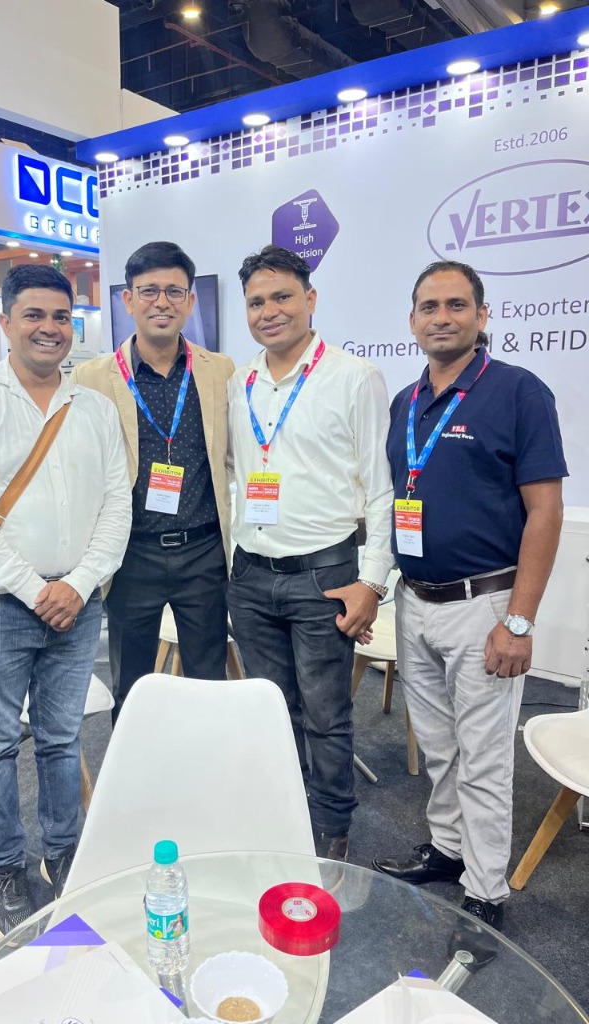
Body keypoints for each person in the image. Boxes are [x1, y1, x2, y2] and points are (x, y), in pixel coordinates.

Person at [0, 265, 131, 939]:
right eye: (35, 315)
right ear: (5, 322)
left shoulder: (94, 408)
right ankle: (8, 868)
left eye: (61, 317)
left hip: (77, 604)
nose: (50, 328)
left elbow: (117, 505)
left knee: (61, 739)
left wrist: (79, 584)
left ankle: (63, 851)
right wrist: (33, 588)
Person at [373, 260, 567, 938]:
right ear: (412, 320)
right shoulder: (406, 402)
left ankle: (485, 894)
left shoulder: (518, 391)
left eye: (457, 305)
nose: (442, 317)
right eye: (429, 306)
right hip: (416, 602)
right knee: (439, 747)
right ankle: (448, 849)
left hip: (484, 606)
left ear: (482, 316)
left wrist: (519, 620)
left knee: (483, 759)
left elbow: (545, 510)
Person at [228, 245, 393, 862]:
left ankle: (330, 828)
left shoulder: (354, 377)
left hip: (324, 575)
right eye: (256, 302)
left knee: (326, 714)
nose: (269, 311)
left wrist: (371, 582)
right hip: (250, 576)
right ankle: (283, 812)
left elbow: (382, 490)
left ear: (311, 299)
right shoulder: (241, 382)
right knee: (271, 710)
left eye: (282, 297)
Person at [72, 241, 234, 720]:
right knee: (132, 683)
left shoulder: (220, 370)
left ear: (190, 300)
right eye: (148, 291)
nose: (161, 302)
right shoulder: (91, 378)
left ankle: (208, 758)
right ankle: (137, 761)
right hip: (131, 554)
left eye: (174, 291)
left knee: (209, 679)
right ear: (128, 300)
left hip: (203, 550)